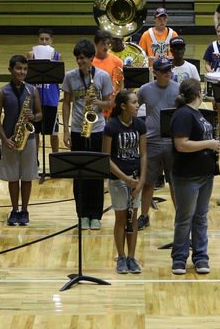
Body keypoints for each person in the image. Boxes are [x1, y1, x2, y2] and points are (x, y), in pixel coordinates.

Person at [61, 39, 115, 230]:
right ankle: (82, 214)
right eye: (78, 58)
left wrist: (97, 103)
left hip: (97, 129)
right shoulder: (70, 76)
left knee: (96, 174)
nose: (80, 62)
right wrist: (66, 130)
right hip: (78, 129)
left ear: (92, 58)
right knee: (79, 175)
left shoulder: (103, 76)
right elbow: (66, 103)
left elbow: (109, 103)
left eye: (83, 58)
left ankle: (95, 215)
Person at [170, 78, 220, 275]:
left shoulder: (198, 113)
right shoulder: (183, 114)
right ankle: (179, 258)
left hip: (205, 174)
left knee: (200, 217)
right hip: (187, 175)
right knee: (185, 218)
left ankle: (200, 257)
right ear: (199, 92)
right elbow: (181, 145)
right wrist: (210, 144)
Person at [0, 55, 42, 227]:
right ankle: (14, 210)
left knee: (27, 177)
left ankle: (25, 210)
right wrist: (4, 139)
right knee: (13, 178)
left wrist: (33, 116)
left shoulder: (32, 90)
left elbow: (40, 114)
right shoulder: (2, 92)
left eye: (25, 69)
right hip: (10, 139)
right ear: (10, 69)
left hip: (28, 138)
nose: (22, 72)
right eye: (18, 68)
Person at [103, 89, 147, 274]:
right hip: (118, 180)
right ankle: (121, 256)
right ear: (123, 106)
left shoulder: (140, 125)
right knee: (121, 219)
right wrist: (125, 178)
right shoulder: (111, 126)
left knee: (133, 219)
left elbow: (143, 154)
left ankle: (131, 257)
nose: (137, 105)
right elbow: (106, 158)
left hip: (135, 179)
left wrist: (141, 180)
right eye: (134, 102)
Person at [136, 58, 179, 230]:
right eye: (164, 70)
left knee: (175, 183)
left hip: (172, 143)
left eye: (169, 69)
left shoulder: (178, 88)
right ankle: (144, 216)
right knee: (148, 183)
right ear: (155, 73)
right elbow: (134, 108)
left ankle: (180, 218)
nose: (168, 72)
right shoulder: (145, 90)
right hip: (151, 142)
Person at [28, 27, 62, 158]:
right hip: (35, 101)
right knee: (35, 132)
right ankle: (34, 159)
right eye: (41, 39)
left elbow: (59, 77)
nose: (44, 42)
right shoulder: (31, 55)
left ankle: (56, 159)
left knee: (53, 133)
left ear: (51, 40)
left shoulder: (57, 55)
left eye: (47, 39)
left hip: (50, 100)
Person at [92, 29, 125, 116]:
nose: (106, 47)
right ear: (96, 44)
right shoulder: (90, 62)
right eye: (103, 44)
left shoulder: (117, 62)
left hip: (113, 106)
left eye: (108, 44)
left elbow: (120, 85)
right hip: (96, 105)